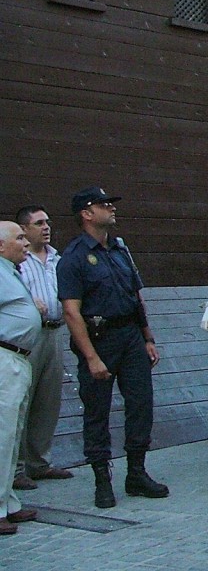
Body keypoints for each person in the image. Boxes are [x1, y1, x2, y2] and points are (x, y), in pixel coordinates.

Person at [57, 187, 168, 508]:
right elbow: (71, 312)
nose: (111, 208)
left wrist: (147, 337)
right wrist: (91, 356)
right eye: (103, 205)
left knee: (141, 405)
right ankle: (101, 480)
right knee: (97, 412)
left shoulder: (120, 250)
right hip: (99, 339)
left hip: (130, 335)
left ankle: (136, 472)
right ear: (86, 214)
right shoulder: (74, 257)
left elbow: (136, 296)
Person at [12, 206, 72, 492]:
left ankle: (39, 462)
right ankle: (16, 468)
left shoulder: (57, 258)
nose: (46, 227)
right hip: (27, 336)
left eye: (48, 221)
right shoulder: (17, 261)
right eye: (39, 223)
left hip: (54, 330)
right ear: (24, 229)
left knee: (48, 400)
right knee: (22, 399)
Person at [0, 221, 41, 535]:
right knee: (1, 435)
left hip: (18, 359)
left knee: (12, 434)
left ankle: (8, 502)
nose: (26, 243)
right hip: (4, 359)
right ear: (1, 245)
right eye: (19, 238)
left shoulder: (10, 271)